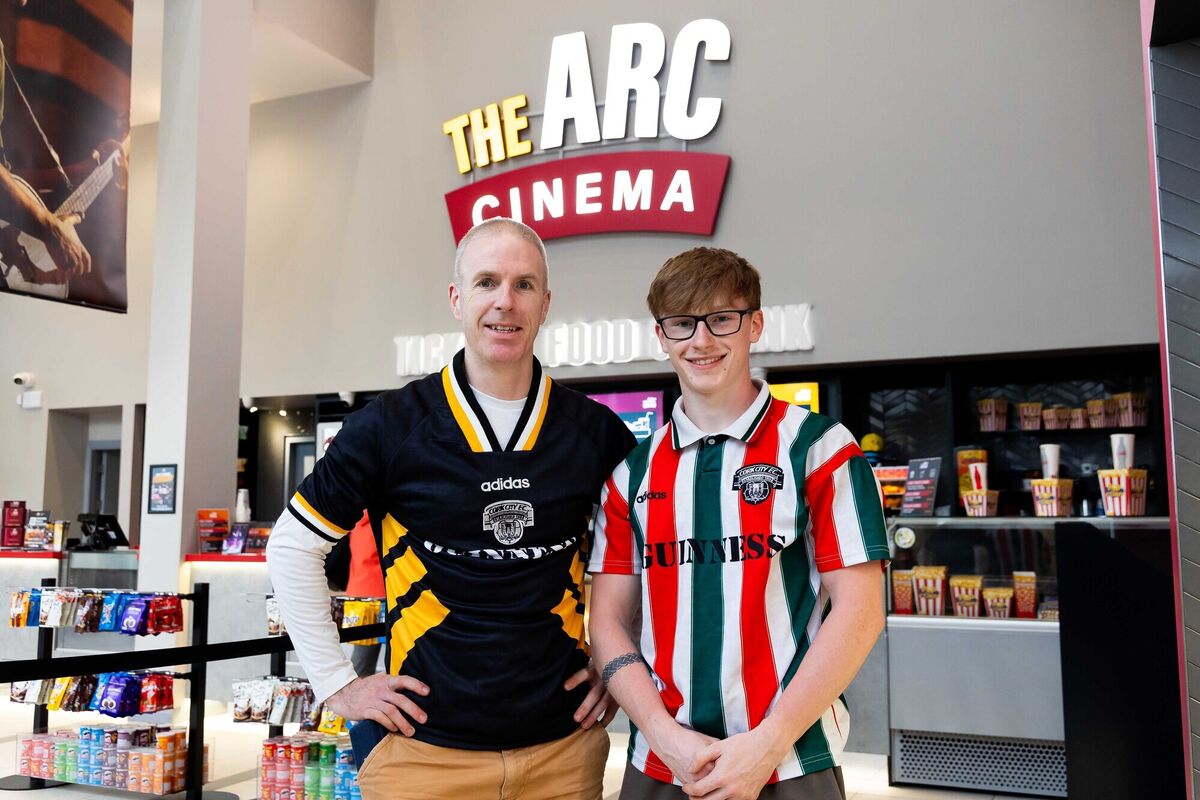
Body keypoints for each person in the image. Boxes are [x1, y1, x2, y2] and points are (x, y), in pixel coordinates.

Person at [266, 217, 636, 800]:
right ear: (456, 299)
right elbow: (291, 546)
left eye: (524, 284)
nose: (504, 302)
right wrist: (337, 684)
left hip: (563, 753)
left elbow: (643, 563)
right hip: (422, 756)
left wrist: (624, 668)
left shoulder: (598, 434)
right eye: (487, 282)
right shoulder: (389, 427)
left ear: (546, 303)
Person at [588, 247, 890, 800]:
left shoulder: (820, 449)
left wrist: (770, 741)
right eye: (682, 324)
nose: (701, 341)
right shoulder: (629, 476)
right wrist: (663, 735)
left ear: (755, 325)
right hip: (661, 764)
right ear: (662, 336)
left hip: (793, 758)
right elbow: (607, 622)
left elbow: (861, 611)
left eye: (721, 319)